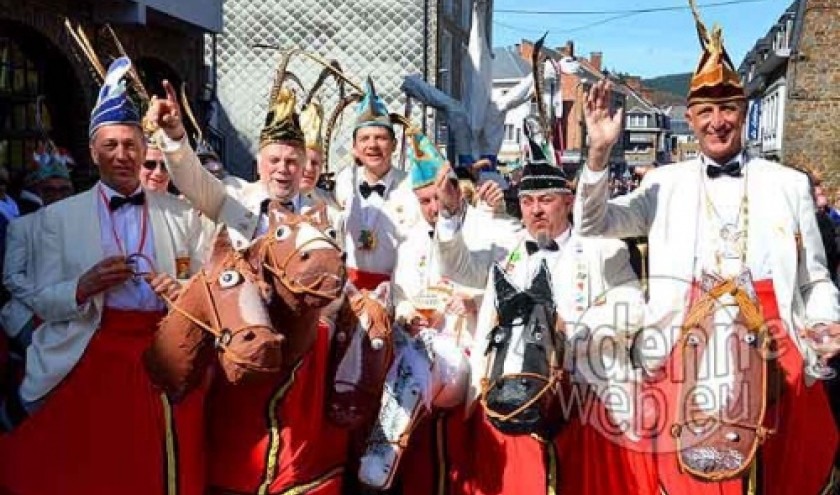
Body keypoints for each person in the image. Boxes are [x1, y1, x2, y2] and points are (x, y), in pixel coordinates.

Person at [574, 2, 840, 494]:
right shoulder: (664, 183)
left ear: (743, 112)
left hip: (775, 333)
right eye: (705, 112)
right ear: (691, 119)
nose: (718, 122)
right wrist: (597, 152)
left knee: (782, 476)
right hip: (684, 335)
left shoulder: (788, 184)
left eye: (728, 109)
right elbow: (593, 223)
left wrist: (825, 321)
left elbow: (816, 279)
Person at [0, 56, 211, 495]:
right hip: (90, 350)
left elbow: (213, 282)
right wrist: (81, 287)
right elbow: (31, 296)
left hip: (165, 355)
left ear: (143, 147)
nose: (122, 155)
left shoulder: (184, 215)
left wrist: (181, 293)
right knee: (93, 469)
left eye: (131, 144)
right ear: (93, 150)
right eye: (111, 145)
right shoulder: (55, 220)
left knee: (163, 470)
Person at [147, 69, 351, 495]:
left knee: (293, 454)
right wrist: (173, 137)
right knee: (236, 450)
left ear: (303, 166)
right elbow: (192, 180)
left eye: (292, 161)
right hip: (239, 352)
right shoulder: (233, 199)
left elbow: (336, 286)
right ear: (259, 162)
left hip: (300, 358)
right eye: (274, 160)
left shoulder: (326, 214)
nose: (283, 169)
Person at [449, 143, 656, 495]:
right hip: (517, 397)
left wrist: (575, 330)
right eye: (528, 202)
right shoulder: (506, 257)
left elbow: (633, 304)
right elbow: (485, 319)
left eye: (545, 200)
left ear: (568, 201)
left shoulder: (605, 248)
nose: (536, 210)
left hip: (587, 393)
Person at [333, 78, 421, 289]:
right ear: (354, 147)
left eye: (380, 138)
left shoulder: (411, 186)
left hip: (396, 289)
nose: (372, 145)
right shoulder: (344, 181)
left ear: (393, 145)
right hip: (350, 291)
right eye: (365, 139)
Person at [300, 101, 338, 207]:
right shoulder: (257, 202)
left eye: (315, 162)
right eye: (303, 160)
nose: (309, 168)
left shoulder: (330, 208)